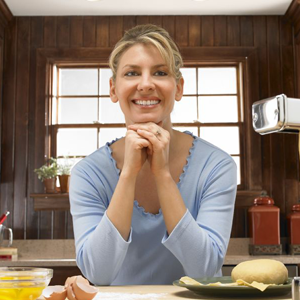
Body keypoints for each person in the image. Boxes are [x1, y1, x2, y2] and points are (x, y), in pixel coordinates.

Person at [69, 24, 237, 286]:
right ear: (113, 89)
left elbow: (204, 270)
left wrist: (162, 175)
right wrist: (127, 175)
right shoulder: (87, 174)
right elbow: (97, 273)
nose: (146, 84)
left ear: (178, 88)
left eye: (160, 72)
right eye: (132, 73)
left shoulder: (217, 166)